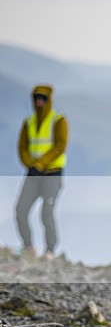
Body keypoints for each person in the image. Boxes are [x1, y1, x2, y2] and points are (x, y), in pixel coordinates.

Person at [15, 85, 68, 260]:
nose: (39, 101)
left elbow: (60, 145)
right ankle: (28, 247)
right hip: (33, 174)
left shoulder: (58, 121)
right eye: (37, 97)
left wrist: (41, 163)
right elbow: (22, 147)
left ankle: (50, 251)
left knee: (46, 213)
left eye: (43, 98)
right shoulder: (28, 122)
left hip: (52, 174)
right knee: (20, 210)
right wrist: (30, 163)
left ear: (49, 100)